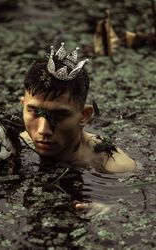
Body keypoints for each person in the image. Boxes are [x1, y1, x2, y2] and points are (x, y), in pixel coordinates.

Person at [20, 42, 137, 173]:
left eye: (59, 115)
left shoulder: (116, 167)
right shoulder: (15, 143)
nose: (43, 130)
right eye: (35, 112)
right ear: (23, 105)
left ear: (84, 116)